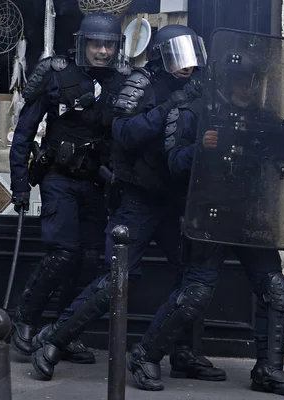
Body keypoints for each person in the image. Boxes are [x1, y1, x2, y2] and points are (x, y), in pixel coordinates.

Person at [28, 24, 225, 384]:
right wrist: (167, 106)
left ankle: (179, 352)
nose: (187, 66)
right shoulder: (141, 83)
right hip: (139, 197)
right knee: (116, 279)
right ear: (161, 55)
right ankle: (52, 341)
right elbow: (124, 134)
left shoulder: (198, 86)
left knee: (191, 278)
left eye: (192, 57)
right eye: (179, 57)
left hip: (178, 199)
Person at [123, 48, 284, 396]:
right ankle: (145, 354)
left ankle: (268, 368)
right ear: (225, 78)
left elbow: (271, 169)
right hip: (208, 212)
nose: (248, 86)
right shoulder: (194, 112)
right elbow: (174, 163)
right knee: (195, 294)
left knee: (275, 289)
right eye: (241, 78)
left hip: (250, 215)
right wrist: (201, 147)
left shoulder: (264, 116)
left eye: (254, 80)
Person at [8, 12, 129, 362]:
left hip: (97, 183)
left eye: (109, 45)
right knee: (63, 254)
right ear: (82, 44)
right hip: (59, 178)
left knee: (90, 259)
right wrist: (19, 184)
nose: (103, 52)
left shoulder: (123, 81)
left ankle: (64, 331)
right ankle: (26, 322)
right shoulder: (56, 73)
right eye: (96, 44)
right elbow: (24, 134)